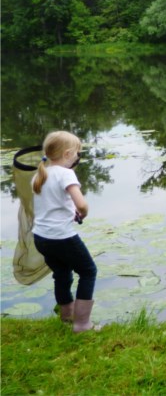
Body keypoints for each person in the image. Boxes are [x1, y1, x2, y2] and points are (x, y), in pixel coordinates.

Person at [32, 130, 100, 333]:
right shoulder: (66, 174)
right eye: (77, 153)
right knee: (88, 271)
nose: (77, 157)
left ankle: (66, 317)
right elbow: (81, 204)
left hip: (41, 237)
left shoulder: (39, 175)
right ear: (68, 153)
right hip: (62, 236)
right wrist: (83, 212)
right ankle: (82, 324)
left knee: (61, 274)